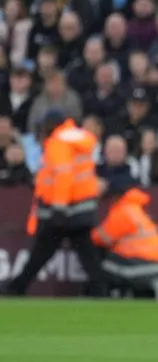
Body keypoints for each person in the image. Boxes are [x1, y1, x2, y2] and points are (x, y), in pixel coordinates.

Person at [2, 111, 106, 296]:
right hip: (80, 207)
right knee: (82, 252)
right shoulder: (76, 140)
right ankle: (99, 289)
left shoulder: (58, 143)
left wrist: (59, 208)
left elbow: (63, 176)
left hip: (65, 209)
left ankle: (17, 287)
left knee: (43, 251)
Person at [91, 184, 158, 299]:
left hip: (139, 264)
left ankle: (110, 299)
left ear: (116, 197)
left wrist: (92, 232)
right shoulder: (138, 210)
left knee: (105, 268)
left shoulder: (123, 211)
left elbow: (100, 238)